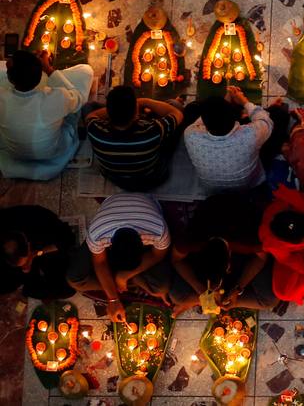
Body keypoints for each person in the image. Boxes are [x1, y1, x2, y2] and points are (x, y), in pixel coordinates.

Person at [68, 193, 173, 321]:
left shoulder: (158, 230)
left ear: (142, 245)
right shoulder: (98, 234)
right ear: (110, 247)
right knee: (75, 279)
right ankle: (127, 283)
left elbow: (157, 255)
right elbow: (100, 263)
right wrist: (113, 299)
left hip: (145, 205)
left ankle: (121, 281)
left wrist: (124, 275)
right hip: (107, 222)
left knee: (161, 287)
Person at [0, 49, 96, 180]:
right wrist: (49, 69)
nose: (6, 64)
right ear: (40, 75)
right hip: (53, 152)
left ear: (10, 79)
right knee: (85, 71)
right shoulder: (57, 97)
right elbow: (79, 98)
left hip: (14, 153)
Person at [170, 193, 273, 313]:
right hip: (212, 219)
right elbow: (176, 260)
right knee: (177, 296)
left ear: (229, 264)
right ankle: (212, 300)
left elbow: (261, 259)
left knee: (269, 300)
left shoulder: (248, 241)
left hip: (241, 221)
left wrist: (239, 288)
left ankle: (231, 302)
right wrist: (201, 289)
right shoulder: (191, 241)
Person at [83, 84, 183, 191]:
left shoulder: (95, 131)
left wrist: (118, 108)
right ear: (137, 111)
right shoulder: (152, 131)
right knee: (175, 104)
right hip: (151, 177)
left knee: (88, 107)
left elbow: (90, 116)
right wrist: (144, 101)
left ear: (108, 112)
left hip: (115, 177)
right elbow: (177, 114)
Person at [182, 87, 274, 193]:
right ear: (236, 119)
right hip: (248, 185)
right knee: (276, 113)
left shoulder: (191, 135)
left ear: (205, 125)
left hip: (211, 189)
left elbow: (203, 119)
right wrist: (244, 101)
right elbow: (266, 121)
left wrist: (224, 102)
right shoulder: (250, 135)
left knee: (191, 108)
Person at [0, 205, 77, 300]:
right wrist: (25, 271)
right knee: (34, 288)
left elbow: (68, 238)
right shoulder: (6, 275)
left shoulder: (36, 217)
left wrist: (37, 253)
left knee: (68, 287)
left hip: (43, 247)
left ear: (27, 242)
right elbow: (11, 284)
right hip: (22, 270)